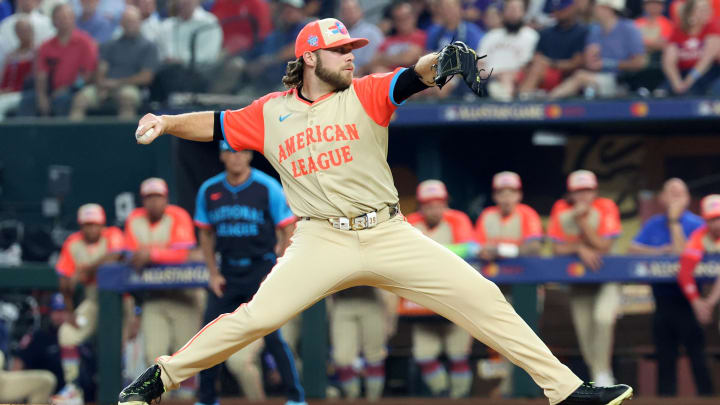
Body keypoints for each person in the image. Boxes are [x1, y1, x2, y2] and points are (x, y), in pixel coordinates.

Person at [119, 17, 633, 405]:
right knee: (257, 317)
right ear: (310, 57)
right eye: (341, 50)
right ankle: (160, 377)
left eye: (352, 49)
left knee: (484, 297)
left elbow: (414, 75)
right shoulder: (268, 113)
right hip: (320, 240)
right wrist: (165, 121)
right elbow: (212, 123)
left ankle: (565, 391)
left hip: (388, 231)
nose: (351, 56)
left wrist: (442, 59)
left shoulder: (365, 93)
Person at [194, 140, 305, 405]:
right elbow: (205, 233)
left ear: (249, 155)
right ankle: (207, 398)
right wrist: (213, 272)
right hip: (228, 271)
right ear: (222, 156)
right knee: (210, 334)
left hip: (261, 268)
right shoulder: (210, 190)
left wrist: (277, 267)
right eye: (231, 152)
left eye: (242, 152)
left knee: (273, 334)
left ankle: (295, 398)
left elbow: (288, 229)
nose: (236, 158)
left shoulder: (267, 186)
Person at [627, 178, 713, 396]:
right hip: (661, 299)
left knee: (697, 353)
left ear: (687, 198)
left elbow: (681, 254)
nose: (675, 198)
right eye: (670, 193)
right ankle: (665, 399)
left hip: (689, 299)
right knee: (665, 355)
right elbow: (632, 248)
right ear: (662, 198)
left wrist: (674, 222)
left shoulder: (697, 223)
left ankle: (708, 397)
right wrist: (657, 252)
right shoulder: (654, 222)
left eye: (680, 193)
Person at [124, 177, 203, 398]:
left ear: (166, 198)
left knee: (186, 357)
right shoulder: (134, 218)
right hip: (154, 297)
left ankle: (187, 401)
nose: (153, 202)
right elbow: (130, 256)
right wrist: (157, 254)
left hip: (184, 296)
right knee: (153, 357)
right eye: (149, 197)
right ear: (143, 200)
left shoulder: (178, 215)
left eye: (157, 197)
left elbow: (182, 254)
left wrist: (152, 254)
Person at [403, 180, 477, 398]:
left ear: (445, 203)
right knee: (424, 356)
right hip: (422, 301)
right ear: (421, 205)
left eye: (438, 203)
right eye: (428, 204)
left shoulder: (458, 219)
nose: (434, 209)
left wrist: (425, 252)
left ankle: (459, 397)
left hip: (456, 300)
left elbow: (471, 249)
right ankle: (443, 394)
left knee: (458, 354)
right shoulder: (410, 222)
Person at [548, 170, 622, 387]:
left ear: (595, 191)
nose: (583, 196)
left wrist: (581, 220)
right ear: (570, 194)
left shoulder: (606, 206)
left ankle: (604, 376)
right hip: (579, 282)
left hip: (607, 276)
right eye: (578, 192)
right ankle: (599, 376)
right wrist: (579, 247)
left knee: (603, 318)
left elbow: (604, 247)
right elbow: (556, 249)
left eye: (587, 191)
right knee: (585, 332)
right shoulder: (561, 209)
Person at [53, 203, 124, 405]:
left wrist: (84, 270)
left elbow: (115, 256)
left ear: (102, 224)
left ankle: (132, 390)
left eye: (94, 224)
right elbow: (64, 280)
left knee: (124, 346)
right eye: (86, 224)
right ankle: (73, 389)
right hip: (94, 299)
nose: (91, 229)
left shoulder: (112, 234)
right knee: (67, 334)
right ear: (80, 225)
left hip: (123, 300)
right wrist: (69, 312)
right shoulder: (73, 242)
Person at [70, 5, 158, 119]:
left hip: (131, 87)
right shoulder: (110, 45)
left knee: (127, 98)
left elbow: (146, 77)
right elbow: (101, 68)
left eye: (133, 21)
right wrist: (101, 85)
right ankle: (75, 136)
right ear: (121, 23)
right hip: (105, 86)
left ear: (140, 22)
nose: (129, 25)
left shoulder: (148, 47)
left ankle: (124, 136)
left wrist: (116, 83)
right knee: (80, 99)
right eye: (126, 21)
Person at [549, 0, 646, 99]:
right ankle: (550, 100)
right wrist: (590, 59)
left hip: (623, 81)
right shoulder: (595, 30)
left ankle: (549, 102)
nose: (594, 10)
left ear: (607, 9)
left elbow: (640, 62)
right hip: (597, 78)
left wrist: (607, 63)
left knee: (580, 76)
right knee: (581, 76)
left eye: (597, 6)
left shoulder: (629, 28)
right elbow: (590, 63)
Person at [18, 3, 98, 116]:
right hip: (51, 90)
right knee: (28, 100)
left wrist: (68, 89)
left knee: (62, 100)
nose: (63, 21)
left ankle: (61, 133)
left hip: (76, 90)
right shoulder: (46, 46)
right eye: (59, 18)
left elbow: (87, 75)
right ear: (53, 21)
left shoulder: (86, 42)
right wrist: (42, 97)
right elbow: (41, 75)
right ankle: (25, 133)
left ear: (73, 19)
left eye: (67, 17)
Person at [518, 0, 589, 98]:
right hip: (542, 73)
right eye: (556, 9)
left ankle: (523, 101)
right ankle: (522, 97)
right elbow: (537, 57)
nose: (558, 12)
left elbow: (577, 63)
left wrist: (550, 63)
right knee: (517, 71)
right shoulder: (545, 33)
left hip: (564, 76)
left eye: (562, 9)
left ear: (573, 7)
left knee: (538, 66)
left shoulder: (582, 32)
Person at [478, 0, 538, 101]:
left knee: (506, 81)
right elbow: (479, 62)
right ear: (503, 13)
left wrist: (505, 75)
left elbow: (528, 66)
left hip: (516, 80)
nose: (513, 13)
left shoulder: (531, 36)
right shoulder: (491, 35)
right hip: (488, 79)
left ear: (524, 12)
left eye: (516, 9)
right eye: (509, 9)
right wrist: (490, 75)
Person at [661, 0, 720, 96]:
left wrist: (687, 83)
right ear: (690, 12)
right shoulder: (678, 30)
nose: (707, 12)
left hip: (708, 74)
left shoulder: (713, 28)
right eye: (701, 9)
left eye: (708, 9)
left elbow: (706, 60)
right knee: (663, 92)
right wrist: (677, 83)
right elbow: (669, 62)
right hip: (683, 73)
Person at [0, 18, 35, 120]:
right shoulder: (10, 55)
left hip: (23, 94)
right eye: (20, 30)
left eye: (26, 30)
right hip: (6, 93)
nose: (23, 33)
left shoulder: (36, 53)